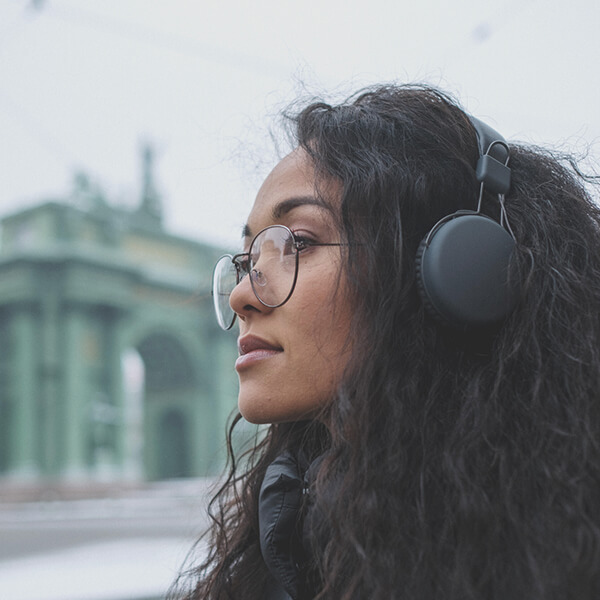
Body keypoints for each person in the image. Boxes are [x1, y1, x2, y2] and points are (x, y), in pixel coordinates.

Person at [178, 84, 600, 599]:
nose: (243, 293)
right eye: (248, 259)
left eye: (299, 243)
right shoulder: (289, 539)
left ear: (459, 271)